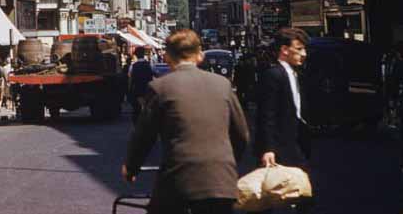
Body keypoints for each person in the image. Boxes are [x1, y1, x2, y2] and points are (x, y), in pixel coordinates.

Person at [123, 29, 249, 214]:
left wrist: (132, 167)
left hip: (178, 180)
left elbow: (144, 135)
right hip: (221, 182)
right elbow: (241, 134)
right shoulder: (223, 85)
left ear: (167, 57)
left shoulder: (160, 88)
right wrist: (226, 163)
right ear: (199, 56)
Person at [255, 28, 312, 212]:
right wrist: (268, 148)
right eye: (299, 49)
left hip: (295, 142)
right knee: (272, 197)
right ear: (284, 50)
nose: (304, 54)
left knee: (300, 194)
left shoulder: (296, 74)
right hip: (279, 146)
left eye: (304, 49)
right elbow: (267, 114)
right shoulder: (273, 75)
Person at [128, 47, 154, 123]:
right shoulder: (149, 65)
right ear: (143, 54)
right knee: (147, 107)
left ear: (136, 55)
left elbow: (130, 79)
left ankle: (137, 124)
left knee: (137, 109)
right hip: (147, 90)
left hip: (137, 90)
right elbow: (152, 76)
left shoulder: (133, 66)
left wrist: (129, 90)